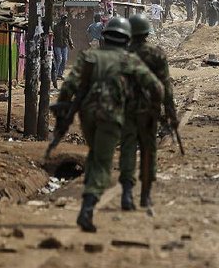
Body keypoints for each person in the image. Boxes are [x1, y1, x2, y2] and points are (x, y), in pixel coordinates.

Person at [52, 17, 164, 232]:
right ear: (125, 39)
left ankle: (110, 196)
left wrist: (63, 118)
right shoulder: (129, 60)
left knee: (98, 153)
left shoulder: (88, 57)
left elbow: (67, 88)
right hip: (113, 117)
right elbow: (156, 87)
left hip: (87, 118)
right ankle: (89, 206)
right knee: (104, 160)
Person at [120, 15, 178, 213]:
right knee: (148, 150)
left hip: (126, 110)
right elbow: (166, 87)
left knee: (128, 148)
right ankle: (145, 195)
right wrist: (171, 113)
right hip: (150, 111)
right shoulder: (156, 55)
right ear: (146, 33)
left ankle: (127, 193)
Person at [52, 15, 74, 87]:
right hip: (57, 44)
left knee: (64, 59)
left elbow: (68, 36)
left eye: (66, 19)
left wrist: (71, 44)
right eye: (64, 19)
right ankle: (56, 74)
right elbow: (53, 35)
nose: (65, 21)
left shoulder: (68, 26)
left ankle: (60, 74)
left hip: (64, 44)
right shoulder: (56, 26)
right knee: (59, 59)